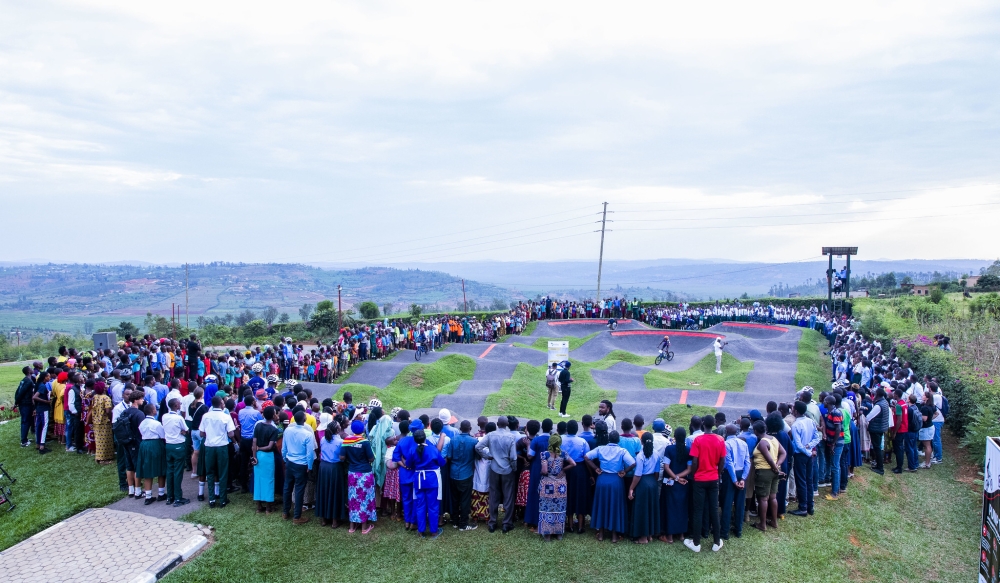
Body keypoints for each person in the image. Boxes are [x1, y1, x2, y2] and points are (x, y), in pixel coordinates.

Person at [585, 425, 635, 543]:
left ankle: (601, 534)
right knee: (615, 505)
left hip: (602, 479)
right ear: (618, 440)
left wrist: (596, 468)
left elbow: (586, 457)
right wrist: (625, 471)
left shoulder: (601, 448)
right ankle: (614, 535)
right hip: (616, 480)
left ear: (608, 439)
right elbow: (633, 463)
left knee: (602, 505)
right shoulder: (622, 451)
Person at [685, 420, 727, 553]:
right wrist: (718, 473)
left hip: (700, 479)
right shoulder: (720, 439)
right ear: (713, 424)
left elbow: (694, 461)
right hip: (713, 478)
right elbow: (723, 460)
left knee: (698, 510)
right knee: (714, 509)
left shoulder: (698, 440)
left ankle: (696, 543)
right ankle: (716, 541)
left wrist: (694, 474)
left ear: (703, 424)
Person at [475, 416, 519, 533]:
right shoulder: (511, 437)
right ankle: (506, 523)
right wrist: (514, 469)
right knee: (508, 496)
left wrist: (487, 456)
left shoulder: (490, 435)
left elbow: (478, 447)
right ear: (507, 424)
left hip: (494, 468)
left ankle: (492, 523)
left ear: (497, 424)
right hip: (507, 470)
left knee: (494, 496)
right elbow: (513, 457)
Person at [406, 428, 446, 538]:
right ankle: (434, 531)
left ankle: (421, 531)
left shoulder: (412, 450)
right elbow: (442, 463)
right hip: (432, 480)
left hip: (419, 480)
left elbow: (408, 464)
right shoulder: (432, 449)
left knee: (420, 505)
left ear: (415, 439)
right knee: (433, 506)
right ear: (425, 438)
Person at [201, 395, 237, 508]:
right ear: (221, 404)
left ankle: (212, 499)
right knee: (223, 472)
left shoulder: (206, 416)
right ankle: (222, 499)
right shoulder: (225, 416)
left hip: (209, 446)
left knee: (210, 473)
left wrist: (210, 435)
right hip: (221, 446)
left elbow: (201, 433)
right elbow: (231, 433)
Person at [538, 433, 574, 541]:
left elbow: (544, 471)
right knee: (560, 507)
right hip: (560, 486)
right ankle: (559, 534)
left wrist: (541, 472)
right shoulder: (563, 454)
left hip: (548, 484)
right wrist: (563, 470)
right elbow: (573, 463)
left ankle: (547, 534)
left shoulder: (544, 454)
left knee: (547, 507)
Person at [752, 420, 786, 532]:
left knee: (763, 498)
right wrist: (778, 465)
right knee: (773, 497)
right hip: (774, 472)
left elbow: (769, 459)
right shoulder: (773, 439)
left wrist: (775, 467)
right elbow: (783, 453)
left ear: (756, 431)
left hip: (764, 472)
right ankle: (774, 522)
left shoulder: (762, 443)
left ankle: (762, 524)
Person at [282, 410, 316, 523]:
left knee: (287, 487)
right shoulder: (307, 434)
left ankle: (285, 512)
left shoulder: (288, 430)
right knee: (299, 489)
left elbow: (284, 448)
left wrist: (285, 459)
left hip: (290, 461)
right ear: (304, 420)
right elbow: (309, 453)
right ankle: (297, 517)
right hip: (301, 464)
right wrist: (309, 466)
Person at [343, 419, 376, 533]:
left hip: (352, 473)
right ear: (362, 429)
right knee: (364, 498)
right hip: (365, 473)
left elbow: (342, 457)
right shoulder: (365, 442)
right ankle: (364, 527)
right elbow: (371, 458)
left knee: (353, 498)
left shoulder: (347, 441)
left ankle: (352, 527)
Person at [628, 432, 661, 544]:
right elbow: (657, 473)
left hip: (643, 482)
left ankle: (643, 538)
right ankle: (650, 534)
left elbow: (638, 475)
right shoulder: (656, 454)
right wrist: (653, 482)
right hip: (652, 482)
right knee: (651, 508)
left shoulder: (640, 456)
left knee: (642, 509)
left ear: (641, 441)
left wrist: (631, 488)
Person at [660, 427, 690, 543]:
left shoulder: (669, 449)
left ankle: (670, 536)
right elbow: (689, 469)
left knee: (670, 507)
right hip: (684, 483)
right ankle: (681, 535)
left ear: (675, 437)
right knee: (682, 507)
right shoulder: (688, 450)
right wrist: (679, 477)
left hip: (670, 483)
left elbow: (666, 467)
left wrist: (675, 477)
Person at [790, 401, 820, 517]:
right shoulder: (810, 421)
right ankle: (810, 506)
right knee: (809, 480)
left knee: (801, 481)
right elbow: (817, 438)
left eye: (793, 409)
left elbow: (798, 445)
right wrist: (810, 447)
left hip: (801, 455)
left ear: (796, 411)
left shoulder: (796, 425)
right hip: (809, 454)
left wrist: (807, 451)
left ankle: (803, 507)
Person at [448, 420, 478, 531]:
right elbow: (478, 457)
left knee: (455, 498)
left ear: (460, 428)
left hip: (453, 473)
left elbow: (449, 456)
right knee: (465, 499)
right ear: (470, 429)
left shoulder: (453, 440)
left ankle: (455, 521)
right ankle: (463, 524)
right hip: (466, 474)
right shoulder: (474, 441)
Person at [562, 420, 591, 534]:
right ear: (577, 429)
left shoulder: (561, 440)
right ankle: (580, 526)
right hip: (580, 469)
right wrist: (591, 474)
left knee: (568, 494)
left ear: (567, 429)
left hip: (566, 468)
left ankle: (569, 525)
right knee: (580, 495)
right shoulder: (582, 441)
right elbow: (587, 458)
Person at [721, 424, 748, 539]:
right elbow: (747, 462)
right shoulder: (743, 443)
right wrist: (743, 479)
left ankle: (725, 531)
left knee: (727, 503)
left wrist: (734, 480)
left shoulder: (726, 444)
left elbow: (729, 463)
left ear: (726, 432)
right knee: (740, 503)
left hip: (730, 474)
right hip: (741, 473)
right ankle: (738, 530)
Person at [136, 403, 167, 505]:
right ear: (153, 411)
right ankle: (161, 493)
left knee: (147, 470)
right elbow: (163, 436)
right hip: (155, 444)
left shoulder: (142, 423)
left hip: (144, 444)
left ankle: (148, 496)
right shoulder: (156, 423)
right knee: (161, 469)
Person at [162, 398, 190, 507]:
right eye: (179, 403)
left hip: (168, 445)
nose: (180, 404)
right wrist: (183, 432)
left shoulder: (164, 416)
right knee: (178, 472)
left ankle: (170, 496)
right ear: (175, 406)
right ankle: (178, 498)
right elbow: (186, 430)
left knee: (170, 470)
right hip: (178, 445)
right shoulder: (179, 418)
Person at [253, 406, 280, 515]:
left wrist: (254, 456)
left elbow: (254, 442)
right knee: (269, 480)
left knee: (258, 480)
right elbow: (269, 446)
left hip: (258, 455)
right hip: (268, 456)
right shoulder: (274, 429)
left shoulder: (258, 425)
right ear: (273, 415)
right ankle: (269, 507)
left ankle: (259, 506)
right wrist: (260, 448)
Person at [91, 383, 114, 465]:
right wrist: (111, 418)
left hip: (96, 421)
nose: (107, 386)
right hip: (104, 421)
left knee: (99, 440)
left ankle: (102, 457)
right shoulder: (106, 398)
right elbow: (108, 411)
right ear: (104, 389)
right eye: (105, 386)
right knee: (104, 440)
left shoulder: (95, 396)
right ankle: (102, 459)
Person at [32, 371, 53, 455]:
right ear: (45, 377)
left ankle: (38, 444)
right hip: (43, 408)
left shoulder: (38, 384)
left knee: (38, 426)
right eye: (48, 376)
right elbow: (34, 397)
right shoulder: (42, 386)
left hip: (38, 408)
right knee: (44, 426)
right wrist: (46, 401)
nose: (50, 378)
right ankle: (42, 446)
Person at [15, 366, 35, 447]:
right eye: (31, 369)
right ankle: (23, 441)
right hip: (26, 404)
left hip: (24, 403)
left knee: (27, 421)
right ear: (29, 371)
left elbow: (17, 391)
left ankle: (25, 438)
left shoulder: (24, 380)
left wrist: (17, 401)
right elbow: (21, 392)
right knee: (25, 421)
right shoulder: (28, 381)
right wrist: (16, 402)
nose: (32, 369)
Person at [918, 392, 937, 469]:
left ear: (927, 398)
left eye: (923, 395)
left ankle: (927, 463)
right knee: (928, 445)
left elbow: (924, 418)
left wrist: (918, 416)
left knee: (927, 445)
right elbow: (936, 413)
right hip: (930, 426)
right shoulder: (932, 406)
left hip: (926, 428)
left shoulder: (925, 408)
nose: (922, 396)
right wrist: (930, 419)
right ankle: (928, 461)